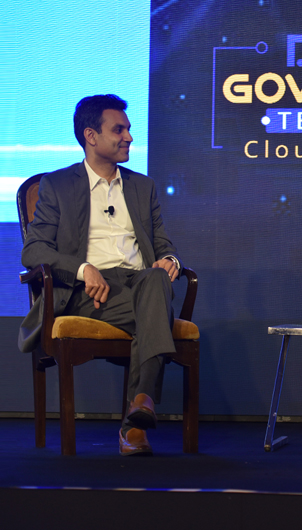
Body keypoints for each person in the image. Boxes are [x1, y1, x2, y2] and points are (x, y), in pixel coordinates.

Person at [18, 94, 182, 456]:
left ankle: (140, 404)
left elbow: (162, 243)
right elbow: (34, 250)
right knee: (155, 313)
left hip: (141, 283)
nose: (129, 137)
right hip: (90, 293)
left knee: (156, 282)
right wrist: (82, 268)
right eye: (119, 130)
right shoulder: (58, 185)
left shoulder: (142, 186)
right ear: (91, 136)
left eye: (129, 129)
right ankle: (136, 420)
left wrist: (169, 259)